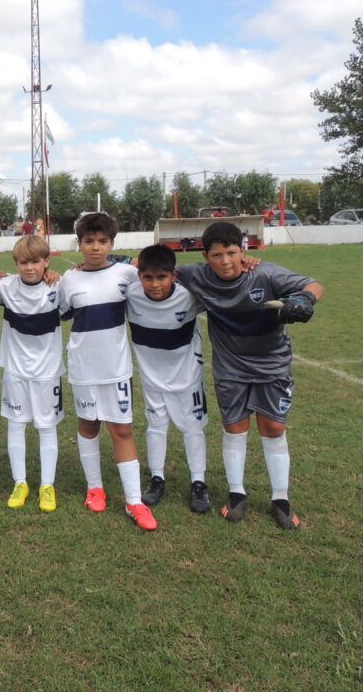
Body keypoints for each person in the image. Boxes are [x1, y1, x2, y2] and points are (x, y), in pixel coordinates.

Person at [175, 221, 324, 529]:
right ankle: (236, 494)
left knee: (273, 428)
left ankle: (280, 498)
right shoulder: (197, 275)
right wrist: (102, 262)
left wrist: (304, 299)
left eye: (232, 253)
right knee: (234, 427)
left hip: (272, 365)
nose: (225, 261)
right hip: (230, 368)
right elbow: (152, 265)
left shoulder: (264, 273)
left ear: (242, 250)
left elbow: (314, 285)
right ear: (205, 256)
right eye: (217, 255)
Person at [59, 212, 157, 530]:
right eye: (89, 241)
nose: (95, 247)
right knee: (88, 426)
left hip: (116, 369)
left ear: (112, 244)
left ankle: (134, 501)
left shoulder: (127, 274)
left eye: (103, 241)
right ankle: (95, 489)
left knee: (122, 430)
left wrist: (127, 260)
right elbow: (61, 311)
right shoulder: (69, 279)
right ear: (80, 243)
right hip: (83, 367)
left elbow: (155, 270)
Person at [126, 245, 210, 514]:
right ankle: (156, 478)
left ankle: (199, 482)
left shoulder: (190, 296)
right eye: (148, 277)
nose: (154, 284)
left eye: (162, 277)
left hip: (187, 376)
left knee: (192, 427)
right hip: (152, 377)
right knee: (156, 425)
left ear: (174, 275)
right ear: (139, 275)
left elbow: (222, 284)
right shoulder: (130, 294)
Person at [0, 234, 65, 512]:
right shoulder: (6, 286)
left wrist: (58, 274)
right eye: (23, 263)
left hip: (48, 371)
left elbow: (86, 278)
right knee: (16, 425)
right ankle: (20, 482)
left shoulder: (58, 286)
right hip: (15, 369)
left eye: (35, 262)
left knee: (46, 427)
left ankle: (47, 485)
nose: (29, 268)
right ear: (16, 264)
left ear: (46, 262)